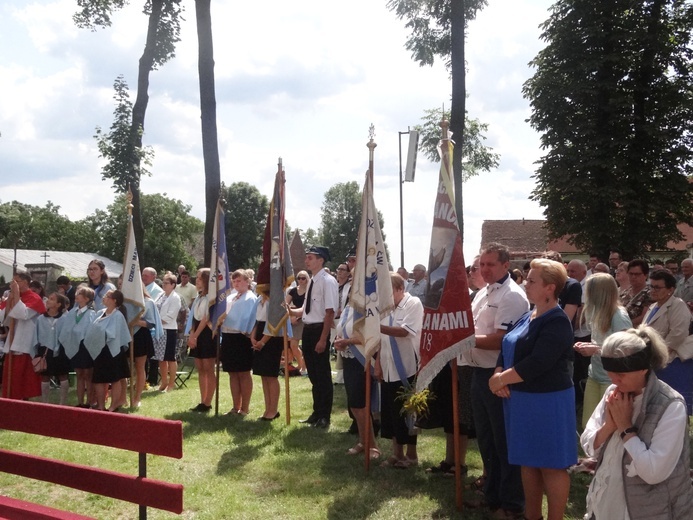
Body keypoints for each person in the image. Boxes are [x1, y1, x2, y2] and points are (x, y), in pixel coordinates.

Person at [489, 258, 576, 520]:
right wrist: (498, 373)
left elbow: (539, 362)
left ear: (550, 287)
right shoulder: (529, 314)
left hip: (548, 402)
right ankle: (532, 516)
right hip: (521, 400)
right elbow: (507, 346)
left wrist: (503, 379)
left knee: (550, 465)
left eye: (531, 280)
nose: (525, 283)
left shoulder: (557, 321)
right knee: (528, 462)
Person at [581, 326, 693, 519]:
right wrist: (609, 427)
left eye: (621, 375)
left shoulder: (671, 406)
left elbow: (653, 472)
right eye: (610, 373)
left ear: (643, 369)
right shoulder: (612, 393)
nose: (614, 380)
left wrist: (626, 428)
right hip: (605, 505)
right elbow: (590, 447)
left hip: (648, 511)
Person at [462, 243, 529, 519]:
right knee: (487, 441)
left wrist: (462, 339)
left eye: (491, 264)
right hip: (479, 373)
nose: (485, 270)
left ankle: (511, 503)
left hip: (499, 377)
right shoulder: (481, 294)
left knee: (503, 442)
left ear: (505, 264)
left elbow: (502, 341)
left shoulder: (512, 296)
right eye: (481, 265)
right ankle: (492, 495)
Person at [375, 272, 424, 468]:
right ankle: (397, 453)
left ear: (400, 289)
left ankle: (411, 455)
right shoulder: (385, 309)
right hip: (388, 367)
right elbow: (382, 341)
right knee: (390, 411)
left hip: (407, 367)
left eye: (387, 291)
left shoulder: (413, 303)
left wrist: (376, 327)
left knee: (408, 411)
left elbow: (405, 331)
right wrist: (378, 362)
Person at [290, 246, 338, 429]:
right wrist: (290, 311)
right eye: (307, 257)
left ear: (321, 260)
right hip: (308, 330)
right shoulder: (312, 281)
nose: (306, 260)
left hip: (320, 330)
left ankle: (325, 415)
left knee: (323, 374)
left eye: (310, 257)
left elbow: (329, 312)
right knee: (314, 375)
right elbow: (306, 309)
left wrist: (323, 339)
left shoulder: (328, 281)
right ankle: (317, 412)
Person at [575, 273, 633, 427]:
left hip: (613, 379)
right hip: (595, 374)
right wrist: (589, 347)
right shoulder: (595, 311)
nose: (586, 295)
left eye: (589, 290)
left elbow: (627, 348)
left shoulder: (619, 315)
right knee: (589, 424)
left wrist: (596, 350)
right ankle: (590, 451)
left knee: (609, 426)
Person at [333, 301, 380, 459]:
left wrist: (347, 342)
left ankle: (372, 445)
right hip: (348, 358)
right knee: (354, 405)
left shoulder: (370, 305)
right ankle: (363, 441)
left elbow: (373, 335)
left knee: (361, 405)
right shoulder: (349, 305)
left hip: (362, 359)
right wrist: (340, 340)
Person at [645, 269, 693, 413]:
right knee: (660, 406)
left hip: (673, 363)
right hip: (656, 362)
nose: (653, 290)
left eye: (657, 287)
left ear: (670, 289)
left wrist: (659, 354)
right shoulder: (653, 306)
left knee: (675, 405)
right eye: (651, 286)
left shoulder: (677, 305)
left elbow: (678, 334)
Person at [0, 271, 46, 400]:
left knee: (22, 381)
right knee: (10, 380)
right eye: (12, 282)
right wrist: (10, 301)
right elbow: (3, 317)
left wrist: (16, 297)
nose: (13, 285)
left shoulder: (34, 298)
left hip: (25, 343)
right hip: (12, 342)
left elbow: (23, 314)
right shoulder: (12, 297)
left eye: (16, 282)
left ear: (25, 282)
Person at [218, 269, 257, 416]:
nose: (236, 284)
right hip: (228, 336)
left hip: (241, 338)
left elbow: (248, 319)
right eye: (234, 281)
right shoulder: (231, 297)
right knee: (232, 373)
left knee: (243, 373)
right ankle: (236, 406)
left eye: (239, 281)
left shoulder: (250, 298)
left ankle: (245, 407)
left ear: (247, 282)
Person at [83, 289, 131, 411]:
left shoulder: (118, 315)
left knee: (115, 379)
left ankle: (114, 405)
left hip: (113, 351)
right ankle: (100, 405)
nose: (104, 297)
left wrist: (100, 332)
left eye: (107, 296)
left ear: (114, 300)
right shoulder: (100, 313)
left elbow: (114, 333)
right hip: (99, 350)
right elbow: (92, 328)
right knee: (98, 379)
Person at [59, 286, 96, 407]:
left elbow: (91, 331)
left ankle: (89, 401)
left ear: (86, 298)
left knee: (88, 375)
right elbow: (67, 328)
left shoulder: (91, 313)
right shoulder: (72, 313)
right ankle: (80, 402)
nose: (76, 295)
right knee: (79, 374)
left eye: (79, 294)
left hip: (86, 347)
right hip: (74, 345)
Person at [250, 296, 285, 421]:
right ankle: (267, 408)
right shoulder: (260, 299)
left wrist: (263, 341)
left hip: (272, 337)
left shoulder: (274, 299)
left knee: (271, 375)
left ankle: (273, 410)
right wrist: (253, 337)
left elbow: (274, 323)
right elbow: (256, 321)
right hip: (260, 332)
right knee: (264, 375)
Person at [188, 268, 216, 412]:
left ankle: (208, 401)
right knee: (200, 367)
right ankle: (202, 400)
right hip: (197, 330)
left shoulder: (211, 297)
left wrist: (196, 336)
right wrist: (192, 333)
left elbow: (206, 318)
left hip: (207, 332)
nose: (197, 280)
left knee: (208, 367)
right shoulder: (199, 296)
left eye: (199, 278)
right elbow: (194, 316)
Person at [131, 286, 163, 408]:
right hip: (126, 334)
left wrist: (136, 322)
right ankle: (122, 397)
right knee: (124, 368)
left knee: (140, 366)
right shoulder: (124, 300)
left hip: (141, 336)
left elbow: (151, 323)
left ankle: (137, 397)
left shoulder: (149, 302)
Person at [36, 292, 70, 404]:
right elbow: (37, 334)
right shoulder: (41, 318)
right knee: (45, 376)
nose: (48, 300)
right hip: (45, 350)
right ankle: (45, 402)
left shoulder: (64, 319)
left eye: (52, 299)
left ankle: (62, 403)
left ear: (58, 304)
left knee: (62, 375)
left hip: (61, 350)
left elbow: (67, 335)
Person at [155, 273, 182, 392]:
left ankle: (171, 383)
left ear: (173, 285)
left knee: (170, 357)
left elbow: (171, 315)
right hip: (160, 330)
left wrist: (158, 322)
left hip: (169, 329)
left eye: (166, 283)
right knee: (161, 357)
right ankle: (164, 381)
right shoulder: (161, 295)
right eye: (163, 282)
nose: (163, 285)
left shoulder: (175, 297)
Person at [285, 271, 308, 376]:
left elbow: (308, 307)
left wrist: (297, 317)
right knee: (293, 345)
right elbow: (285, 304)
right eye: (299, 278)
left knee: (306, 345)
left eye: (303, 278)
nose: (301, 280)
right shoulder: (293, 291)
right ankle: (300, 365)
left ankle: (303, 367)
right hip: (293, 319)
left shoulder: (310, 291)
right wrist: (290, 317)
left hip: (305, 319)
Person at [620, 259, 653, 327]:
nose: (633, 277)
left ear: (646, 275)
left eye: (637, 274)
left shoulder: (650, 293)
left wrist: (623, 325)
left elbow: (645, 317)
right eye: (631, 274)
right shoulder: (625, 293)